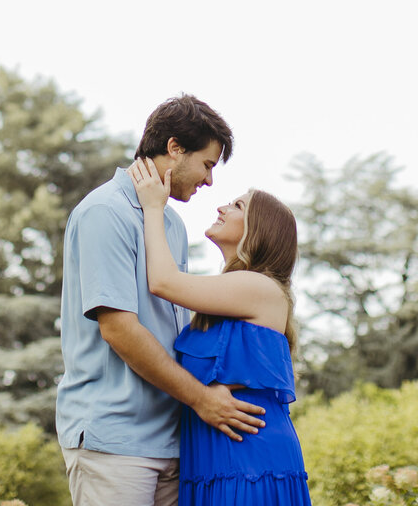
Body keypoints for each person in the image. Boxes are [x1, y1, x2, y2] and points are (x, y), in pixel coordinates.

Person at [56, 95, 267, 506]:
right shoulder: (104, 211)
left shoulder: (168, 223)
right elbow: (119, 328)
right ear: (174, 148)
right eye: (207, 164)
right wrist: (203, 399)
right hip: (114, 438)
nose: (209, 181)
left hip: (171, 438)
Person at [129, 155, 313, 506]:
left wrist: (154, 208)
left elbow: (164, 282)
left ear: (258, 229)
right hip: (215, 458)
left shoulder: (258, 287)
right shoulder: (228, 297)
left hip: (249, 461)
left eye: (237, 205)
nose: (222, 206)